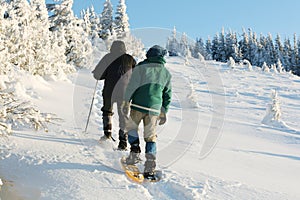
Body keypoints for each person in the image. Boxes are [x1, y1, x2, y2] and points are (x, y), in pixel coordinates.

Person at [122, 45, 172, 180]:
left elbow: (131, 86)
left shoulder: (140, 68)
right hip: (154, 110)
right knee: (150, 137)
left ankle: (134, 153)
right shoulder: (166, 73)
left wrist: (126, 101)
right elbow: (167, 95)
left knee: (131, 128)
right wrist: (164, 111)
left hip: (138, 106)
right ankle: (150, 165)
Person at [92, 40, 136, 150]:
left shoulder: (107, 57)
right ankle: (123, 143)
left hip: (109, 90)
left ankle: (107, 135)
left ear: (112, 48)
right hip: (125, 92)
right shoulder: (130, 59)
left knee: (107, 111)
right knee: (123, 116)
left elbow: (98, 75)